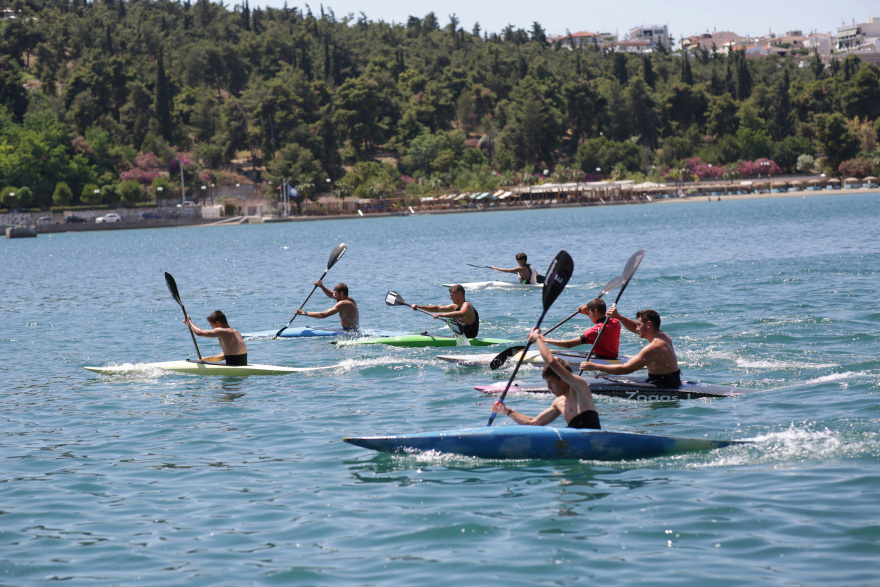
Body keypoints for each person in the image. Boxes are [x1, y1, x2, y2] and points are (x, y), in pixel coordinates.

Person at [492, 327, 600, 429]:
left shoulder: (579, 386)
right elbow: (534, 423)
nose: (549, 387)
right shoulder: (559, 403)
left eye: (551, 382)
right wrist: (507, 411)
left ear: (562, 378)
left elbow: (551, 361)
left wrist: (537, 338)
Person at [579, 308, 681, 388]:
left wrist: (595, 366)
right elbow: (636, 328)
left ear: (648, 324)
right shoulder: (662, 335)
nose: (637, 328)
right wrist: (618, 316)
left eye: (639, 325)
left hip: (664, 386)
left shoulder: (653, 347)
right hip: (672, 380)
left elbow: (626, 369)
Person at [541, 297, 621, 359]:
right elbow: (603, 320)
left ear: (596, 311)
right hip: (614, 357)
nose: (589, 316)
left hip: (599, 360)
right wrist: (587, 311)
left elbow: (568, 344)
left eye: (589, 313)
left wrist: (545, 340)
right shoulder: (616, 322)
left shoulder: (594, 331)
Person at [411, 284, 479, 338]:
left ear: (459, 294)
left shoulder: (467, 305)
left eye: (452, 295)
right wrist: (419, 307)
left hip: (470, 338)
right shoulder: (455, 306)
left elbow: (461, 314)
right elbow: (438, 308)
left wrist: (441, 315)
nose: (450, 297)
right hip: (460, 337)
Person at [184, 310, 248, 365]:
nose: (212, 328)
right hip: (242, 364)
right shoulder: (236, 332)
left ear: (218, 323)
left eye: (212, 325)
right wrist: (207, 359)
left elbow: (199, 332)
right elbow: (227, 355)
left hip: (234, 366)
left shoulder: (222, 331)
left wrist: (189, 322)